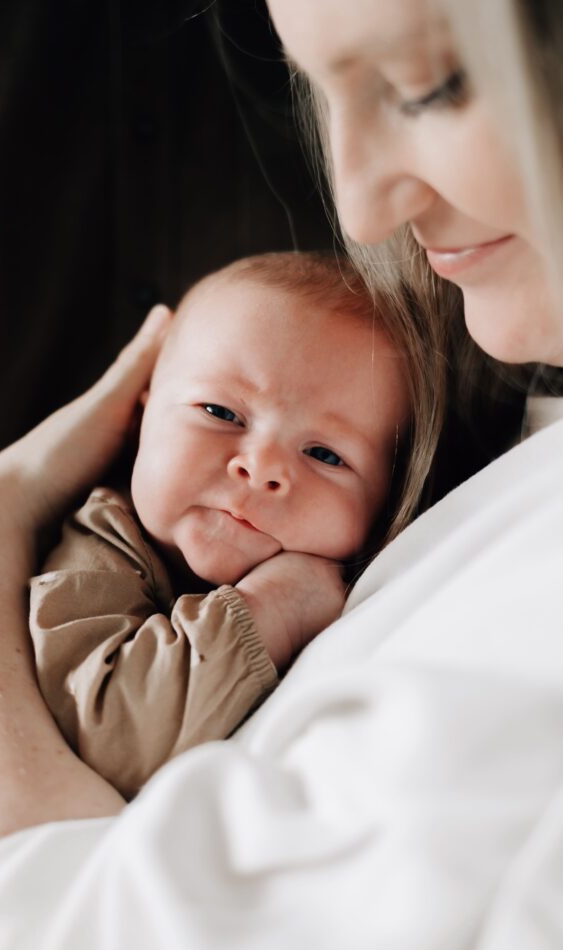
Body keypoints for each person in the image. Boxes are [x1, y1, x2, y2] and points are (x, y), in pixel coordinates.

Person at [0, 0, 563, 950]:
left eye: (426, 90)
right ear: (136, 410)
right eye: (215, 413)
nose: (358, 208)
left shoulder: (494, 498)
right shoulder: (95, 555)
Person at [31, 251, 427, 799]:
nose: (261, 467)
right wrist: (271, 611)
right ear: (141, 415)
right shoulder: (100, 545)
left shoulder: (386, 593)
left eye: (325, 454)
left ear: (388, 501)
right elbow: (110, 740)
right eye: (221, 413)